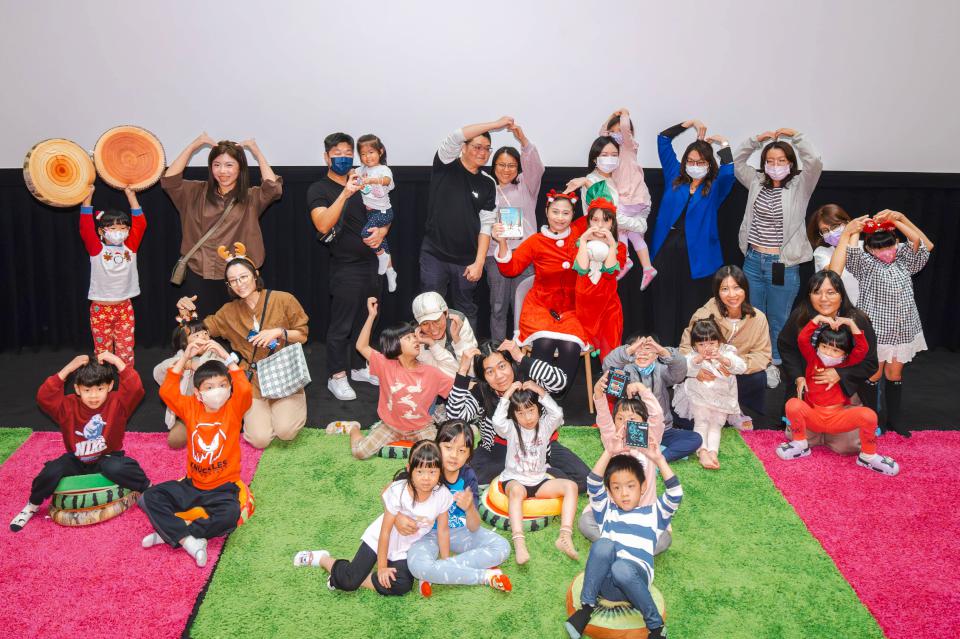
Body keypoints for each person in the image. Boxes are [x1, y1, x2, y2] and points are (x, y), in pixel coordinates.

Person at [175, 246, 309, 449]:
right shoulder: (229, 312)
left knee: (286, 432)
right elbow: (201, 330)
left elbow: (302, 335)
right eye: (233, 280)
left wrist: (279, 332)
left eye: (243, 277)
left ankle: (285, 407)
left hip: (283, 374)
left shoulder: (283, 299)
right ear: (228, 285)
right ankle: (266, 411)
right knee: (259, 439)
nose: (240, 284)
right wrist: (185, 315)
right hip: (253, 380)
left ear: (255, 275)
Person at [293, 440, 452, 597]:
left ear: (440, 471)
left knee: (403, 584)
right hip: (380, 539)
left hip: (406, 549)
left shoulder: (442, 495)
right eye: (420, 471)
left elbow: (443, 531)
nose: (426, 478)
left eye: (432, 472)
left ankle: (361, 578)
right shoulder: (398, 491)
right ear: (409, 469)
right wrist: (381, 568)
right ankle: (323, 559)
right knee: (349, 581)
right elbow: (385, 532)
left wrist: (446, 562)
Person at [10, 352, 149, 532]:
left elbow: (135, 388)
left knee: (117, 467)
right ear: (77, 389)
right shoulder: (67, 406)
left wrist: (116, 360)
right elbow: (44, 397)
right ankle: (32, 505)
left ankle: (148, 489)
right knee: (50, 472)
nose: (93, 396)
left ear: (110, 386)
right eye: (87, 390)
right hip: (76, 460)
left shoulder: (118, 402)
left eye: (100, 389)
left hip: (108, 457)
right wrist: (69, 368)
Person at [141, 342, 252, 566]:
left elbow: (245, 389)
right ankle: (189, 541)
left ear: (229, 388)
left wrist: (225, 355)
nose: (217, 391)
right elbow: (167, 391)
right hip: (192, 485)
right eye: (209, 387)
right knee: (149, 497)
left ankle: (173, 535)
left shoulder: (233, 408)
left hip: (223, 488)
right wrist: (185, 358)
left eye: (222, 385)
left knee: (230, 515)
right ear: (198, 394)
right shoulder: (191, 407)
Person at [828, 211, 934, 436]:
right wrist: (855, 230)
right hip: (877, 331)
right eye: (878, 248)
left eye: (890, 245)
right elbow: (852, 253)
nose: (885, 251)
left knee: (895, 374)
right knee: (874, 375)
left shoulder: (904, 261)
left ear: (896, 242)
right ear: (869, 249)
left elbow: (917, 241)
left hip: (903, 330)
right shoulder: (865, 265)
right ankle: (871, 418)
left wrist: (896, 221)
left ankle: (895, 419)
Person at [734, 128, 823, 380]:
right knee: (753, 315)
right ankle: (757, 361)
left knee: (778, 318)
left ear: (791, 163)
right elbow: (737, 161)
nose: (775, 166)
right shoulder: (756, 181)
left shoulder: (799, 186)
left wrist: (797, 136)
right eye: (770, 161)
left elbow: (815, 161)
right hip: (753, 260)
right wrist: (755, 140)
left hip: (782, 263)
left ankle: (774, 363)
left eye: (781, 161)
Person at [565, 448, 681, 639]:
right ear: (610, 492)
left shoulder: (654, 514)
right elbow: (593, 482)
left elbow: (675, 494)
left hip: (634, 579)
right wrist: (609, 452)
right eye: (617, 488)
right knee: (603, 545)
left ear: (643, 487)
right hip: (606, 583)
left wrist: (659, 459)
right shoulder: (607, 512)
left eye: (630, 486)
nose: (624, 493)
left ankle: (656, 627)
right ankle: (586, 609)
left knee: (621, 568)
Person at [162, 134, 281, 318]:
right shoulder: (194, 192)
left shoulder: (251, 197)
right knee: (202, 326)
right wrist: (194, 145)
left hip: (240, 277)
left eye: (229, 165)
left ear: (240, 168)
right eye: (216, 165)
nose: (222, 171)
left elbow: (273, 188)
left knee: (242, 327)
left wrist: (256, 152)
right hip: (200, 272)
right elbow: (170, 180)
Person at [446, 340, 590, 490]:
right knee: (462, 477)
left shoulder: (528, 379)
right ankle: (532, 479)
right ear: (484, 376)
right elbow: (454, 417)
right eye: (490, 372)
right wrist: (463, 370)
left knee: (584, 479)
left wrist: (521, 357)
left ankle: (537, 475)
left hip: (540, 445)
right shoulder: (482, 391)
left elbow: (560, 382)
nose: (499, 376)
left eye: (502, 366)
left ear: (511, 364)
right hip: (498, 448)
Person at [308, 132, 383, 401]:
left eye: (348, 153)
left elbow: (384, 211)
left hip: (373, 263)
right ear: (326, 157)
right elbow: (322, 224)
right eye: (337, 154)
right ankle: (336, 375)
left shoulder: (366, 179)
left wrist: (383, 232)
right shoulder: (319, 189)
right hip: (345, 267)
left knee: (368, 317)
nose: (343, 158)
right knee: (342, 325)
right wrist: (346, 192)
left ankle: (360, 367)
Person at [648, 119, 735, 346]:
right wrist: (686, 125)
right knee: (665, 302)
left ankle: (690, 351)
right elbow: (663, 140)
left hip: (698, 257)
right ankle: (665, 349)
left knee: (693, 305)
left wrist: (724, 146)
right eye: (691, 161)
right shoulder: (674, 177)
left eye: (700, 162)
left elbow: (728, 173)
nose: (695, 165)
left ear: (709, 164)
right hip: (667, 249)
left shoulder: (714, 186)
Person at [777, 315, 899, 475]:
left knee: (869, 415)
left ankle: (868, 456)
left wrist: (851, 323)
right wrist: (817, 319)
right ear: (817, 346)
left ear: (845, 354)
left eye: (835, 350)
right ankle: (800, 444)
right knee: (792, 404)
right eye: (824, 347)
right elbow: (802, 340)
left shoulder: (846, 365)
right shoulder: (813, 359)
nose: (828, 353)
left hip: (837, 418)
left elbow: (862, 349)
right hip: (813, 416)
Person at [421, 117, 512, 330]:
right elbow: (456, 135)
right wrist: (495, 125)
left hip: (466, 260)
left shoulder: (488, 183)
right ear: (463, 148)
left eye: (487, 149)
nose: (483, 152)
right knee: (430, 308)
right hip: (435, 254)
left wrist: (479, 263)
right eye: (477, 147)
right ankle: (430, 349)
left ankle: (467, 350)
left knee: (465, 309)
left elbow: (486, 226)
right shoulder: (446, 164)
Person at [333, 298, 453, 459]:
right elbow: (361, 346)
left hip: (421, 428)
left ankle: (404, 448)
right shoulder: (385, 365)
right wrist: (371, 316)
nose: (415, 340)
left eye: (415, 336)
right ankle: (354, 427)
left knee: (437, 456)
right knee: (359, 452)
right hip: (389, 426)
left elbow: (457, 389)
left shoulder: (432, 372)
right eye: (408, 338)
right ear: (395, 345)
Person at [493, 189, 590, 385]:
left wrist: (585, 182)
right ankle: (534, 394)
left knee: (570, 347)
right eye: (555, 211)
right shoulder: (536, 241)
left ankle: (556, 394)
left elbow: (603, 208)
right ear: (546, 211)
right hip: (540, 307)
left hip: (573, 309)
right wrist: (502, 242)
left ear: (573, 214)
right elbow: (510, 269)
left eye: (566, 213)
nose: (560, 218)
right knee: (544, 343)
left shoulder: (581, 236)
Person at [405, 420, 512, 595]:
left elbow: (474, 527)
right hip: (425, 534)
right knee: (418, 566)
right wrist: (399, 517)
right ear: (436, 446)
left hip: (460, 531)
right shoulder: (426, 469)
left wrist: (469, 508)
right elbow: (398, 491)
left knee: (502, 547)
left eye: (461, 450)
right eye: (448, 447)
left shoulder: (468, 475)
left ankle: (436, 571)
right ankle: (485, 576)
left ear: (469, 455)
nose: (454, 455)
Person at [778, 271, 879, 453]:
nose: (823, 298)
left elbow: (870, 363)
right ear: (809, 295)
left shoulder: (857, 320)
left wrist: (840, 374)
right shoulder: (801, 316)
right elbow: (787, 346)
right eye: (817, 292)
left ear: (841, 294)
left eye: (831, 292)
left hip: (844, 397)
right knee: (799, 437)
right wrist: (798, 377)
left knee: (847, 447)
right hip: (811, 394)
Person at [579, 373, 672, 546]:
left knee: (663, 540)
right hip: (613, 511)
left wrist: (642, 389)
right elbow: (603, 418)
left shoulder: (650, 439)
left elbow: (657, 415)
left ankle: (617, 543)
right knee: (586, 522)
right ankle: (626, 545)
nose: (625, 423)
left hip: (643, 512)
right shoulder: (612, 439)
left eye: (632, 419)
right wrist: (598, 393)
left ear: (644, 422)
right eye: (620, 419)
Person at [492, 381, 580, 565]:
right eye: (520, 413)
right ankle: (519, 542)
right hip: (514, 480)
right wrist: (508, 392)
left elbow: (557, 413)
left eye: (531, 410)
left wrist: (539, 391)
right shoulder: (511, 429)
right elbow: (497, 421)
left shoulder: (546, 425)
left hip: (539, 481)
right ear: (514, 415)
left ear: (538, 409)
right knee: (517, 492)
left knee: (571, 486)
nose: (527, 417)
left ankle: (564, 536)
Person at [679, 265, 772, 429]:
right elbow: (685, 348)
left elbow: (762, 355)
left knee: (758, 377)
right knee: (689, 422)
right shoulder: (704, 314)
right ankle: (717, 411)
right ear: (717, 292)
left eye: (737, 287)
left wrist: (733, 365)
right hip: (707, 374)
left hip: (735, 373)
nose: (732, 295)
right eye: (725, 289)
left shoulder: (758, 318)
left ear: (745, 289)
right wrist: (697, 371)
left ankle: (735, 411)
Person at [484, 124, 545, 343]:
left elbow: (537, 168)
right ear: (494, 166)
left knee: (524, 304)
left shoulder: (526, 186)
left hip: (524, 254)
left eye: (511, 165)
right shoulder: (486, 189)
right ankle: (498, 349)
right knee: (498, 306)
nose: (506, 169)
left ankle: (523, 349)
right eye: (501, 164)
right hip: (495, 254)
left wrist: (524, 141)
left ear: (518, 167)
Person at [603, 335, 703, 462]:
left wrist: (662, 350)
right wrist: (631, 349)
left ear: (656, 355)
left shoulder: (661, 370)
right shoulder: (625, 370)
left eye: (648, 349)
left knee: (695, 439)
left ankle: (658, 459)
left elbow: (680, 371)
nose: (643, 353)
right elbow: (608, 367)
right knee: (623, 445)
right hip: (633, 430)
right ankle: (649, 453)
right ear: (630, 354)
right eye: (638, 349)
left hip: (661, 430)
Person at [79, 185, 145, 366]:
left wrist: (131, 196)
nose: (119, 232)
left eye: (123, 228)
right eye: (114, 228)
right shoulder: (97, 249)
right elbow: (86, 228)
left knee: (126, 351)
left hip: (124, 309)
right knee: (102, 352)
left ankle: (127, 378)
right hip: (100, 310)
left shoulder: (130, 247)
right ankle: (102, 379)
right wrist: (87, 199)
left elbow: (140, 224)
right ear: (101, 231)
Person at [673, 318, 746, 469]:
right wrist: (698, 360)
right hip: (700, 395)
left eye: (712, 343)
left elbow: (741, 367)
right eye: (701, 344)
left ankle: (713, 452)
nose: (707, 348)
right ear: (694, 345)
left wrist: (723, 359)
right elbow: (684, 369)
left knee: (716, 425)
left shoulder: (727, 352)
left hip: (722, 398)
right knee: (701, 422)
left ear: (719, 341)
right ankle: (702, 452)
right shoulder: (692, 356)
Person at [152, 318, 225, 449]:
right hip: (188, 413)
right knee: (175, 440)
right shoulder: (180, 358)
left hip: (214, 412)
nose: (202, 337)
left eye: (205, 333)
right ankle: (195, 430)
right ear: (185, 342)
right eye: (196, 335)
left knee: (219, 440)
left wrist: (202, 363)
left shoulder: (216, 354)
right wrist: (185, 362)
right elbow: (158, 373)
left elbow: (228, 372)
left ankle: (207, 431)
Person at [573, 198, 627, 360]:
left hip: (608, 308)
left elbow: (610, 272)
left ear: (613, 223)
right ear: (589, 221)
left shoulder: (619, 247)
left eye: (605, 220)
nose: (600, 225)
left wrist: (611, 245)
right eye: (595, 220)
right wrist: (584, 240)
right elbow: (582, 268)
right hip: (583, 308)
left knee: (610, 355)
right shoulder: (578, 244)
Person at [355, 133, 398, 292]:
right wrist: (354, 176)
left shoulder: (383, 169)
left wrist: (372, 180)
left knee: (366, 233)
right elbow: (351, 174)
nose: (367, 157)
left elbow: (387, 181)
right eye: (363, 154)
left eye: (371, 152)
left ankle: (381, 256)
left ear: (380, 151)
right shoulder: (362, 170)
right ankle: (391, 272)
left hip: (384, 212)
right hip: (370, 213)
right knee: (381, 241)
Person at [412, 291, 478, 379]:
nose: (433, 329)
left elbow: (472, 372)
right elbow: (444, 375)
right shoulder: (417, 338)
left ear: (446, 313)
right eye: (425, 323)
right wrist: (432, 344)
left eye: (436, 321)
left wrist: (457, 340)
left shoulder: (458, 322)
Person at [807, 203, 859, 305]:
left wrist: (855, 234)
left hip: (866, 308)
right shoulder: (821, 252)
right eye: (825, 230)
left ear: (847, 223)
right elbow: (834, 274)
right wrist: (846, 235)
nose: (831, 232)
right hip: (839, 308)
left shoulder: (865, 247)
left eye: (835, 226)